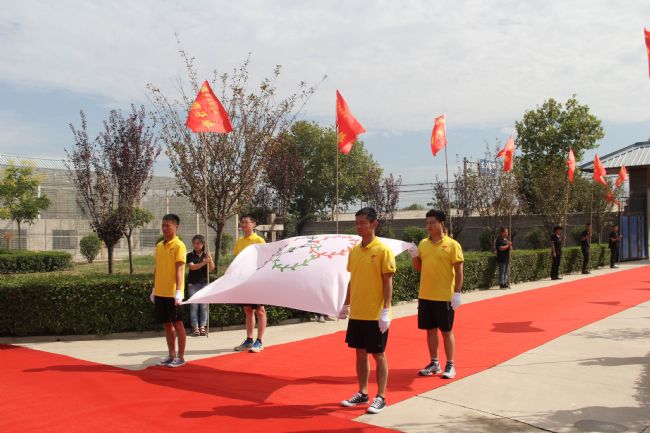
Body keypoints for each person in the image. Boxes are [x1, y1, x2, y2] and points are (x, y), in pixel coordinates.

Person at [338, 207, 396, 415]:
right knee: (360, 354)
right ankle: (362, 393)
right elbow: (352, 280)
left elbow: (388, 282)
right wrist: (346, 304)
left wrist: (386, 310)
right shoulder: (355, 251)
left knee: (378, 355)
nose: (359, 227)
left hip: (375, 314)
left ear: (374, 224)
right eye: (357, 223)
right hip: (358, 313)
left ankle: (381, 397)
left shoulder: (383, 250)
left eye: (363, 223)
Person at [410, 209, 464, 380]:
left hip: (444, 296)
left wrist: (457, 293)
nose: (429, 226)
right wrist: (414, 256)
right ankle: (434, 363)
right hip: (426, 295)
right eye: (427, 223)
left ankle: (450, 364)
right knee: (430, 331)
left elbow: (459, 270)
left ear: (441, 223)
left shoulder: (452, 245)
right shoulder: (423, 244)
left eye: (432, 222)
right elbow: (419, 268)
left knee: (446, 331)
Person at [150, 214, 187, 368]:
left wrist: (178, 291)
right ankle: (171, 354)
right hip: (160, 292)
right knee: (166, 324)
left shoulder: (179, 245)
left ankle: (181, 357)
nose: (164, 229)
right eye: (163, 225)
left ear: (176, 227)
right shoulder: (159, 246)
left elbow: (179, 270)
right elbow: (157, 268)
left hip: (173, 293)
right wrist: (154, 289)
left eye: (168, 226)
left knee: (178, 324)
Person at [232, 214, 267, 353]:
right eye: (242, 222)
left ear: (254, 224)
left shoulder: (259, 240)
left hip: (256, 279)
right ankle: (249, 339)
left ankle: (259, 341)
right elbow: (237, 262)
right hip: (244, 279)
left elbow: (264, 260)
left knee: (260, 310)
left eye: (246, 222)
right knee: (248, 310)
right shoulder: (239, 242)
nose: (244, 224)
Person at [186, 234, 214, 336]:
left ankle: (203, 326)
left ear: (203, 244)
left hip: (204, 284)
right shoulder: (190, 255)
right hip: (193, 284)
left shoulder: (206, 255)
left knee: (204, 306)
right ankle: (195, 327)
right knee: (194, 306)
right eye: (194, 243)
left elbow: (212, 268)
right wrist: (204, 263)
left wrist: (210, 259)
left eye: (198, 243)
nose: (196, 245)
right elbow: (192, 267)